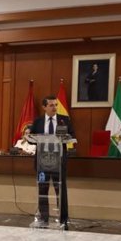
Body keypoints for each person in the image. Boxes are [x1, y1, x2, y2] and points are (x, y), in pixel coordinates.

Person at [31, 95, 75, 228]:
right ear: (44, 107)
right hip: (42, 161)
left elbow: (73, 135)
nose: (54, 107)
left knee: (60, 190)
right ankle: (44, 218)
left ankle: (63, 219)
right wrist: (28, 133)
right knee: (42, 190)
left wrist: (68, 137)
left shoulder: (64, 120)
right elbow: (31, 137)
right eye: (51, 105)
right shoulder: (38, 121)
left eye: (56, 105)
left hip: (59, 161)